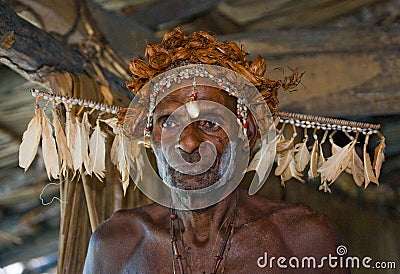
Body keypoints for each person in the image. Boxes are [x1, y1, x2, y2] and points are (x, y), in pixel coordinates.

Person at [83, 28, 349, 273]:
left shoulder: (302, 240)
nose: (188, 142)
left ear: (248, 135)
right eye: (170, 121)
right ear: (151, 135)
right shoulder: (116, 244)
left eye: (210, 123)